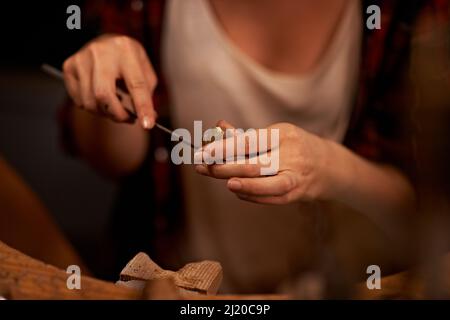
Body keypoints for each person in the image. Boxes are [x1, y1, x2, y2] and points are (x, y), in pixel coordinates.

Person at [59, 0, 449, 293]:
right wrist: (105, 85)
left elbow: (425, 215)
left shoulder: (411, 15)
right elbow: (113, 159)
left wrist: (327, 166)